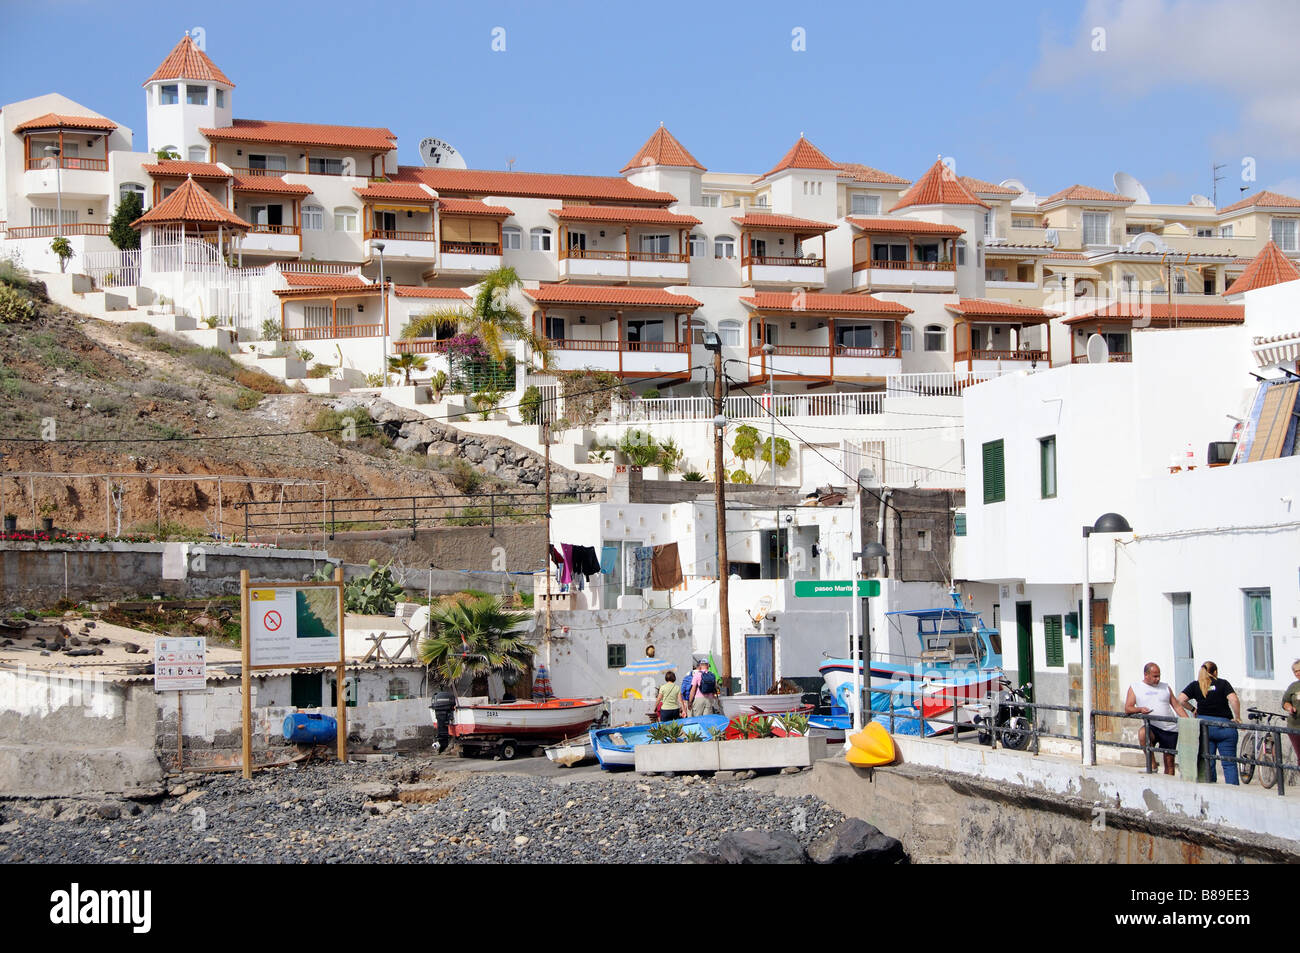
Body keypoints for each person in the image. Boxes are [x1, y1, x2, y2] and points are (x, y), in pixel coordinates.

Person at [1178, 661, 1242, 784]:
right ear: (1215, 672)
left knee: (1208, 762)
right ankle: (1233, 792)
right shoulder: (1223, 683)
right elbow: (1234, 699)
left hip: (1205, 727)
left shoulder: (1196, 685)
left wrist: (1193, 709)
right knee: (1229, 763)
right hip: (1225, 727)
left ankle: (1210, 789)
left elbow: (1180, 700)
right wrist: (1237, 717)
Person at [1124, 662, 1189, 775]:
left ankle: (1169, 786)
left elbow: (1177, 706)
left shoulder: (1165, 687)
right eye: (1155, 676)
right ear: (1146, 675)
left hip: (1170, 728)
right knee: (1143, 733)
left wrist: (1188, 721)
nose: (1158, 679)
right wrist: (1140, 709)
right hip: (1152, 725)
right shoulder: (1135, 687)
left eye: (1159, 676)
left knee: (1169, 762)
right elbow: (1128, 708)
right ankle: (1152, 764)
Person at [1282, 659, 1300, 764]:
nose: (1298, 673)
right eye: (1295, 672)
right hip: (1295, 727)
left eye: (1299, 670)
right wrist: (1289, 708)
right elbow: (1285, 702)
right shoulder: (1293, 686)